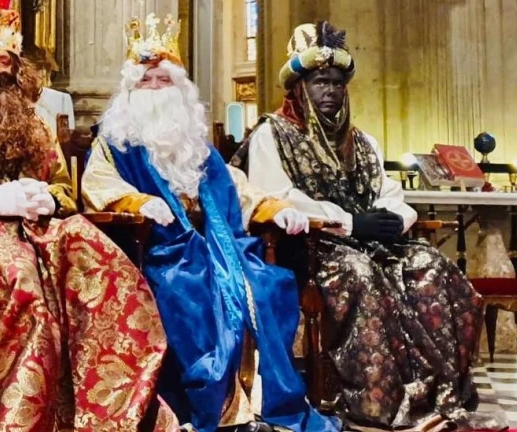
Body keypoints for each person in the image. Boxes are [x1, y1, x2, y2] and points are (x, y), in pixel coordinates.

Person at [0, 6, 179, 431]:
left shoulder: (35, 125)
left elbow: (66, 188)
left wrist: (49, 198)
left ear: (17, 70)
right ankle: (20, 417)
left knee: (109, 268)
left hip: (42, 231)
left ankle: (108, 412)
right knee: (24, 286)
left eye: (4, 61)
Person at [232, 21, 506, 431]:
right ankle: (377, 402)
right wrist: (349, 223)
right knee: (360, 274)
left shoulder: (361, 141)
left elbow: (389, 192)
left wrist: (394, 219)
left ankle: (440, 394)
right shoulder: (273, 134)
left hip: (371, 244)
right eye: (320, 82)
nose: (330, 91)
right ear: (299, 87)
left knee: (432, 267)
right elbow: (277, 197)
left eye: (337, 83)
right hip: (309, 248)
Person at [82, 13, 340, 432]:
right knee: (187, 290)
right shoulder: (114, 145)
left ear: (180, 90)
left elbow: (240, 191)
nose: (155, 90)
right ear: (129, 91)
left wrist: (276, 209)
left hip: (223, 248)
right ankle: (208, 412)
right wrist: (137, 202)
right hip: (156, 254)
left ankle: (261, 406)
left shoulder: (196, 148)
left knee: (267, 285)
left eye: (163, 81)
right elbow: (97, 187)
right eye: (145, 82)